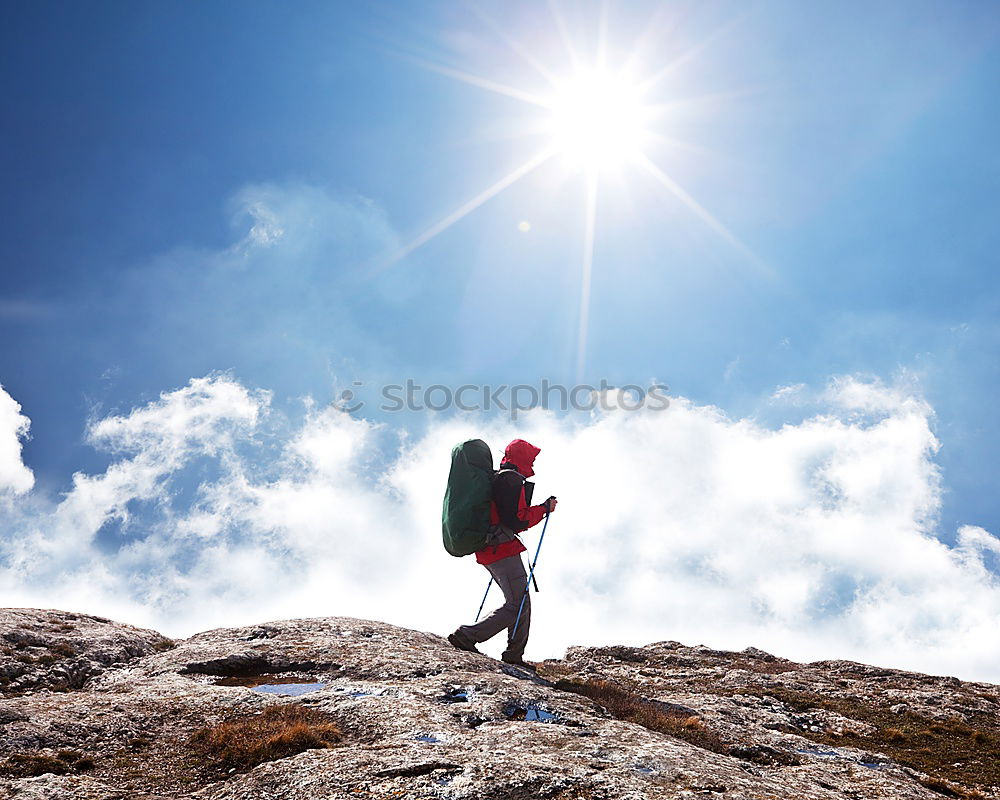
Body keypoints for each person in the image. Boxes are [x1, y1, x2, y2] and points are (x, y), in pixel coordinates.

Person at [448, 438, 557, 670]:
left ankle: (514, 654)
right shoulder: (511, 479)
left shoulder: (499, 477)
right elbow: (517, 519)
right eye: (532, 458)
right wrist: (544, 510)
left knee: (520, 601)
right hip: (501, 548)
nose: (534, 463)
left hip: (491, 548)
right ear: (522, 457)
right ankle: (468, 635)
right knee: (518, 603)